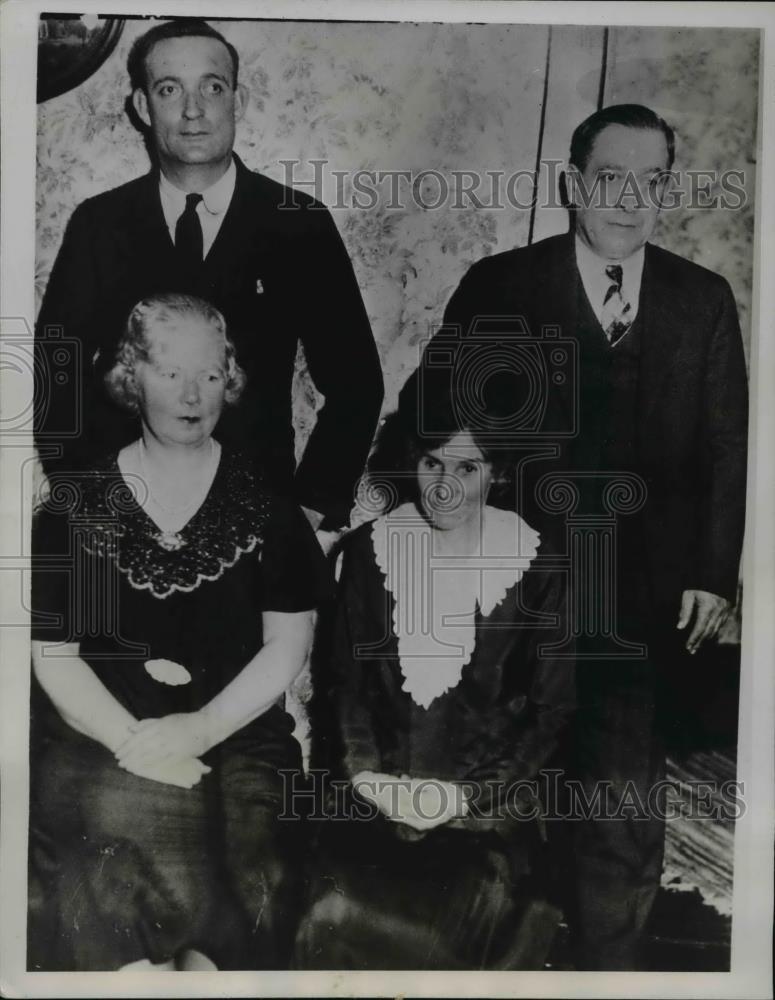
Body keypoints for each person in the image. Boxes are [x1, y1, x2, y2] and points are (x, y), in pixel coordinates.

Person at [400, 104, 749, 969]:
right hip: (514, 587)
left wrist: (712, 574)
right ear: (572, 185)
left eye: (650, 181)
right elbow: (433, 418)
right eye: (609, 178)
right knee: (494, 801)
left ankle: (609, 976)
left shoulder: (700, 301)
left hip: (635, 602)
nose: (630, 199)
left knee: (622, 808)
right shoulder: (503, 285)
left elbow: (725, 446)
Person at [29, 293, 332, 971]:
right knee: (126, 825)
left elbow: (288, 645)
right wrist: (134, 744)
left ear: (230, 378)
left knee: (258, 858)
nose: (192, 395)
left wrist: (198, 729)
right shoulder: (73, 507)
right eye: (170, 374)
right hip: (101, 733)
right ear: (132, 377)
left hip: (237, 734)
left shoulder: (269, 507)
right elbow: (53, 657)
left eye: (210, 374)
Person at [35, 17, 383, 532]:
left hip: (258, 518)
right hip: (125, 514)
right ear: (141, 106)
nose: (193, 110)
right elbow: (51, 367)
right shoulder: (99, 223)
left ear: (237, 103)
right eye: (170, 89)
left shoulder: (297, 223)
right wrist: (88, 491)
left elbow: (356, 383)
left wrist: (306, 514)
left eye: (212, 87)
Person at [295, 388, 575, 970]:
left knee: (466, 921)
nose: (445, 486)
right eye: (431, 464)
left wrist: (464, 796)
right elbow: (345, 688)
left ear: (496, 474)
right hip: (376, 797)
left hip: (487, 815)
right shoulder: (372, 552)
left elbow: (549, 713)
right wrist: (370, 780)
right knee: (324, 915)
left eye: (467, 467)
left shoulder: (539, 564)